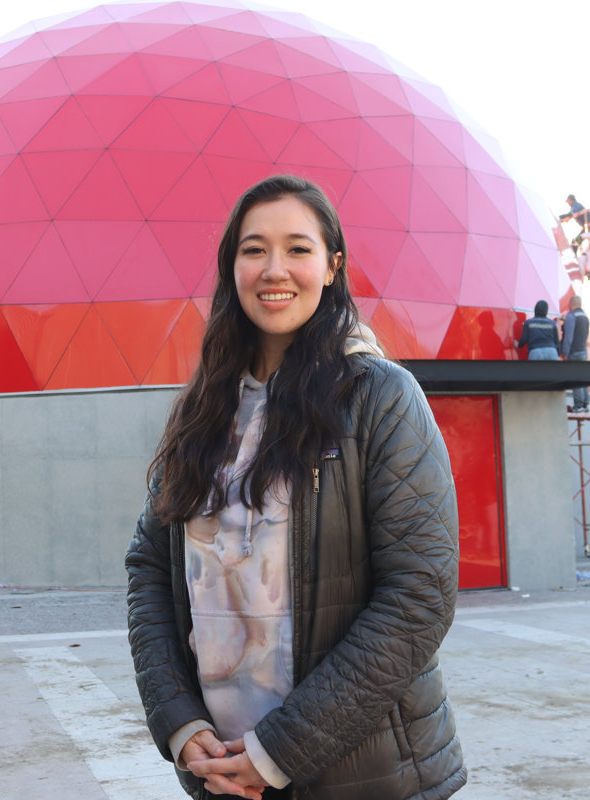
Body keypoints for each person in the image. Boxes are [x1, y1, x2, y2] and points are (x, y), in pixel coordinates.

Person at [126, 175, 466, 800]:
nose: (273, 269)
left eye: (298, 249)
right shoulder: (203, 410)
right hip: (222, 774)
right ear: (231, 266)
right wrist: (177, 720)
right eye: (253, 249)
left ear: (333, 265)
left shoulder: (380, 398)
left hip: (363, 776)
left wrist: (279, 750)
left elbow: (420, 595)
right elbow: (150, 567)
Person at [561, 294, 590, 411]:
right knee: (583, 378)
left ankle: (578, 405)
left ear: (572, 304)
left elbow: (568, 337)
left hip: (574, 353)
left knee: (576, 378)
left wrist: (565, 353)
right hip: (583, 352)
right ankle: (585, 404)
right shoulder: (585, 317)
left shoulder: (571, 316)